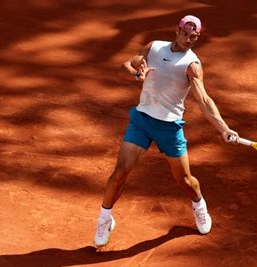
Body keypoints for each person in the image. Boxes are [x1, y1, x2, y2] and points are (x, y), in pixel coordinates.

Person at [94, 15, 238, 247]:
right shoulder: (154, 47)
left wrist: (223, 128)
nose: (189, 39)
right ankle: (104, 219)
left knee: (185, 181)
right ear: (177, 30)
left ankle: (199, 205)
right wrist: (135, 73)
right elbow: (125, 65)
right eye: (186, 34)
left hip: (169, 127)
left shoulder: (192, 65)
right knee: (120, 172)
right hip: (141, 120)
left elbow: (203, 99)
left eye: (194, 37)